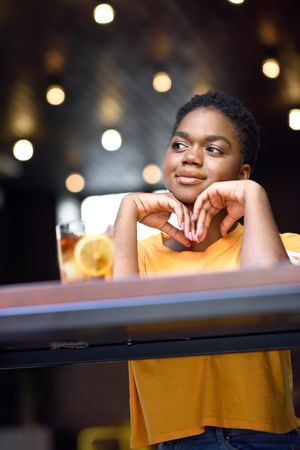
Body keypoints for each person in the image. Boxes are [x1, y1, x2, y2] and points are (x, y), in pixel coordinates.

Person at [113, 91, 300, 449]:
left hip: (266, 438)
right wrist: (127, 211)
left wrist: (254, 196)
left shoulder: (285, 247)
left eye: (213, 149)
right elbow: (118, 326)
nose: (191, 158)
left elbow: (268, 304)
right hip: (177, 441)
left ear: (241, 173)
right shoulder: (134, 258)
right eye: (180, 145)